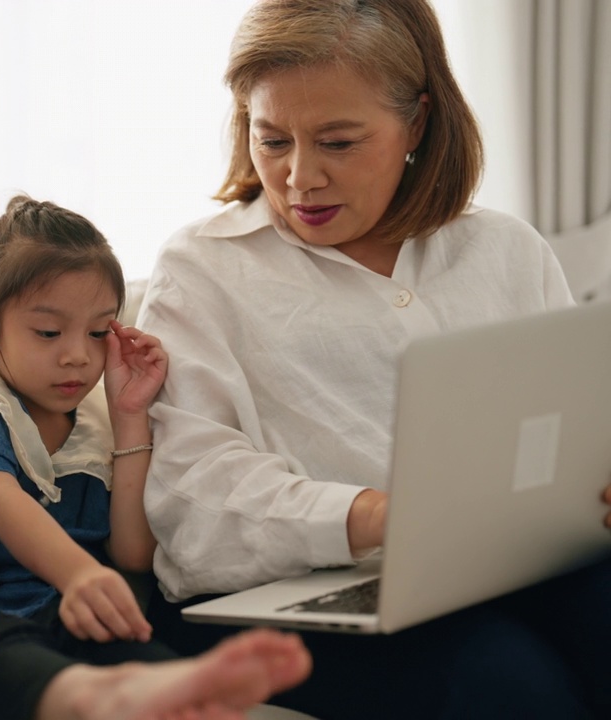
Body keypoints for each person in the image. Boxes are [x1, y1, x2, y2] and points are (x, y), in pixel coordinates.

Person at [137, 1, 611, 719]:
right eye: (272, 140)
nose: (299, 179)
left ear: (417, 123)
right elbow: (193, 500)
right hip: (288, 595)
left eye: (337, 141)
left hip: (505, 565)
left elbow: (575, 418)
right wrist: (377, 515)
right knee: (509, 687)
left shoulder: (504, 250)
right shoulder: (203, 268)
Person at [0, 196, 312, 720]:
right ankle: (100, 692)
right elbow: (2, 504)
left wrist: (128, 416)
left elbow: (132, 555)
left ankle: (177, 689)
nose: (78, 353)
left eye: (99, 332)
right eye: (49, 333)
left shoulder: (95, 428)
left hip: (53, 619)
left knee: (128, 648)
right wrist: (79, 574)